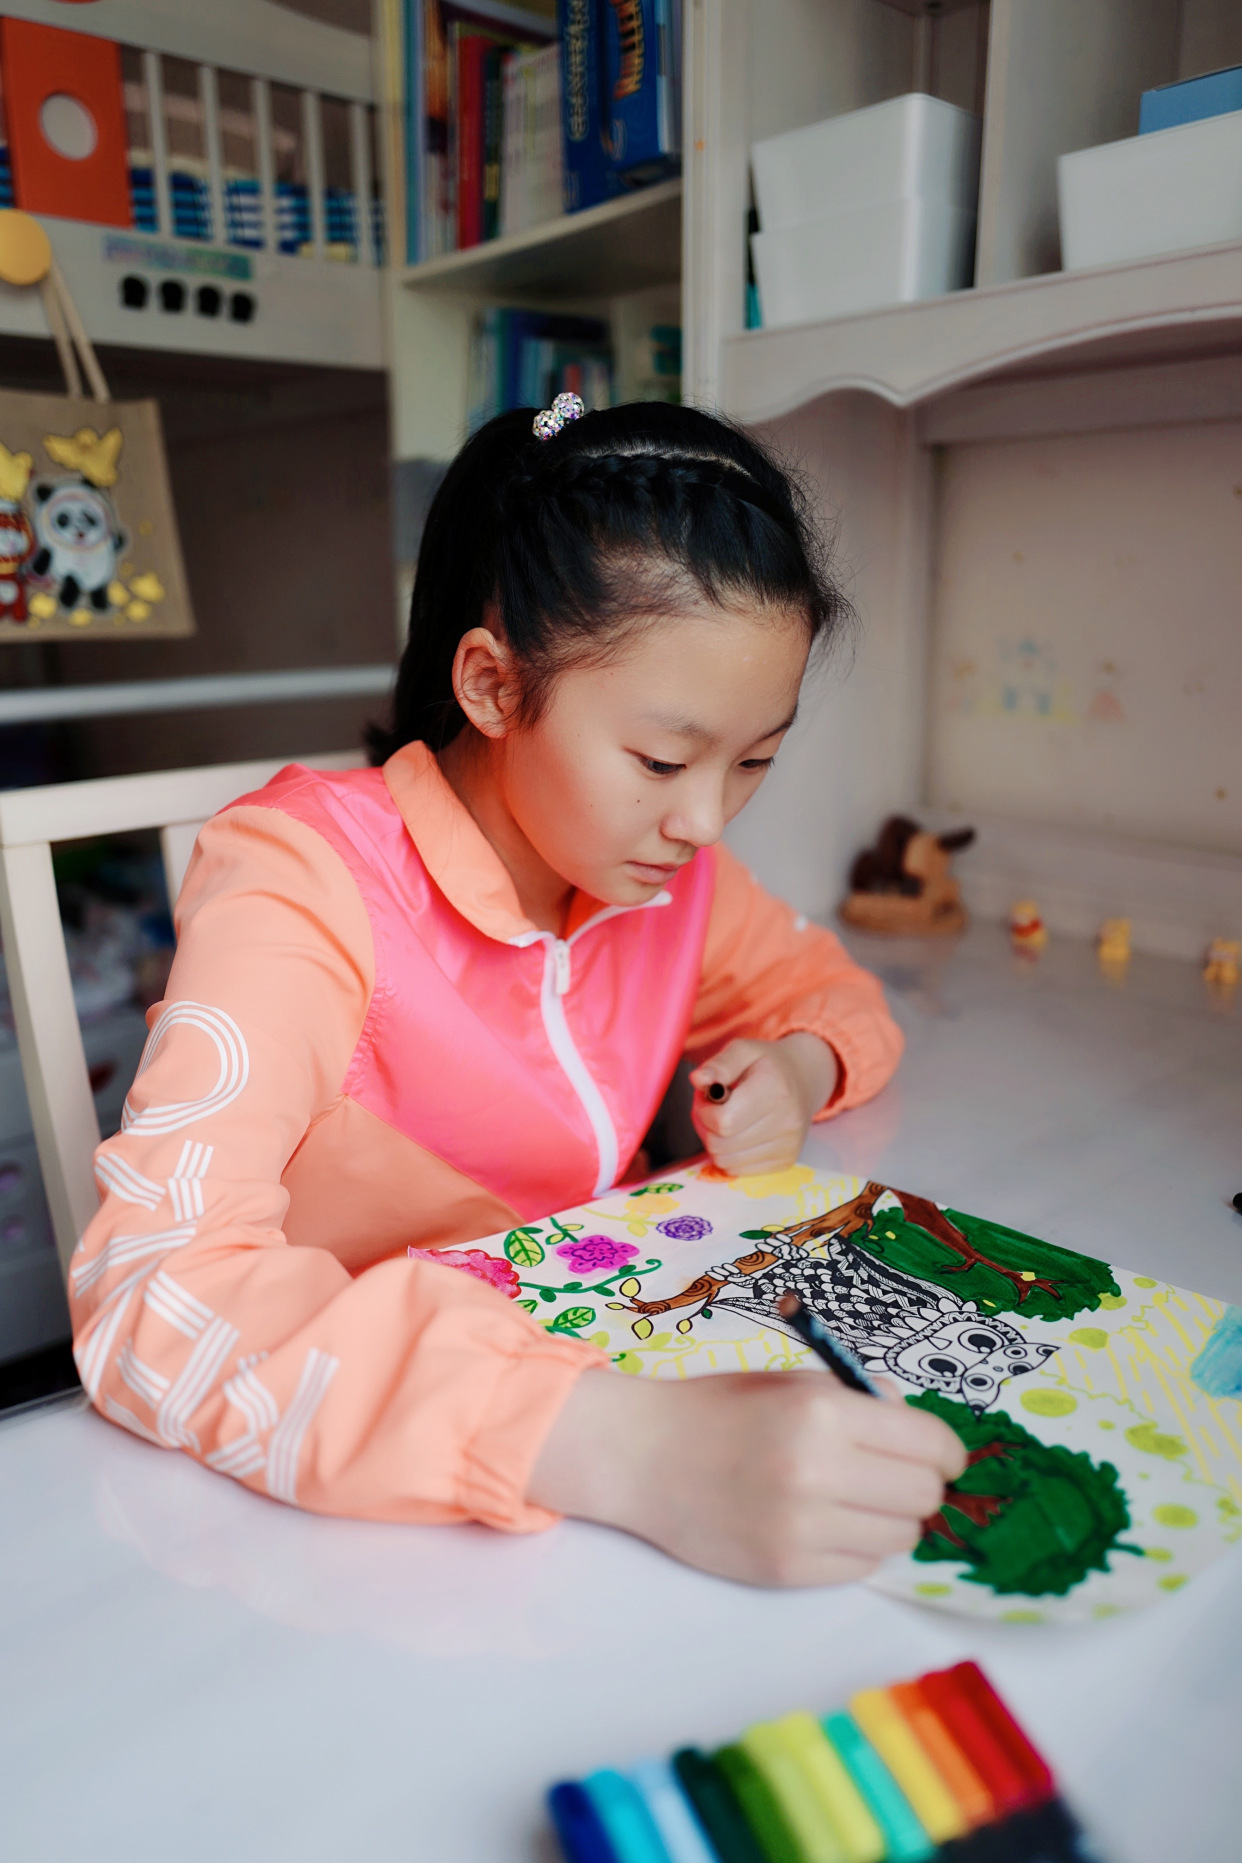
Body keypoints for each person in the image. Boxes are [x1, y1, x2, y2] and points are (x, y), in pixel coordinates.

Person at [72, 397, 964, 1587]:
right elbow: (153, 1290)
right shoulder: (304, 878)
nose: (704, 820)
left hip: (593, 1389)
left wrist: (798, 1068)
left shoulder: (665, 877)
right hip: (359, 1497)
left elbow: (829, 992)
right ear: (493, 687)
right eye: (662, 760)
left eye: (754, 760)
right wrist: (623, 1447)